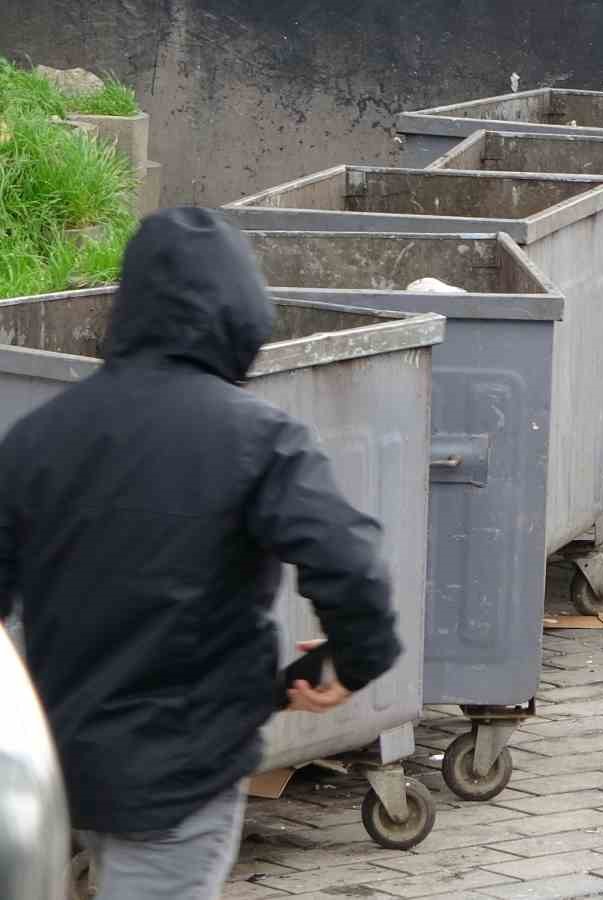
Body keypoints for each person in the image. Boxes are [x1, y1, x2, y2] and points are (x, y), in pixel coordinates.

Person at [0, 209, 402, 900]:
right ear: (243, 312)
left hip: (63, 763)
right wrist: (352, 659)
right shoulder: (263, 439)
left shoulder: (38, 439)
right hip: (185, 769)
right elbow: (352, 564)